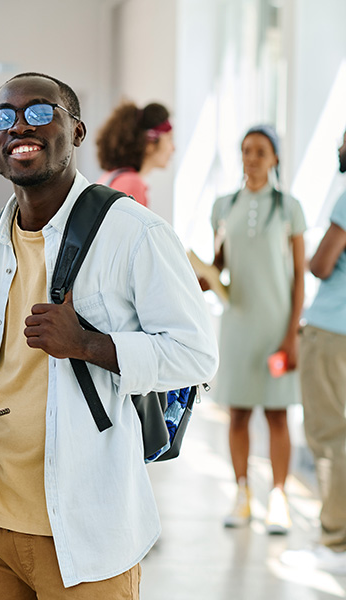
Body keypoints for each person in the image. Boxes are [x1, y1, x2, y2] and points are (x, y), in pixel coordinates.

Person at [0, 72, 218, 599]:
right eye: (2, 117)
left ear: (77, 131)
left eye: (40, 112)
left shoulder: (134, 233)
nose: (19, 127)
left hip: (88, 529)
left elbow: (196, 354)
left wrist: (88, 344)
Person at [209, 124, 306, 534]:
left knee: (278, 416)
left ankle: (279, 498)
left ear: (275, 158)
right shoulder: (223, 205)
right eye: (246, 150)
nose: (251, 158)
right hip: (237, 326)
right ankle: (242, 494)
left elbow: (300, 274)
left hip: (276, 325)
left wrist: (291, 334)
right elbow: (218, 268)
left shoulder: (289, 208)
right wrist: (199, 273)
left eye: (260, 151)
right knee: (238, 414)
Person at [281, 127, 346, 574]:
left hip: (331, 331)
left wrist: (308, 258)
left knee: (330, 439)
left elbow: (322, 263)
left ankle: (335, 545)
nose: (340, 148)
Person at [94, 100, 175, 207]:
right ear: (149, 144)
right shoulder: (132, 184)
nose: (173, 148)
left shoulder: (113, 177)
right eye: (169, 139)